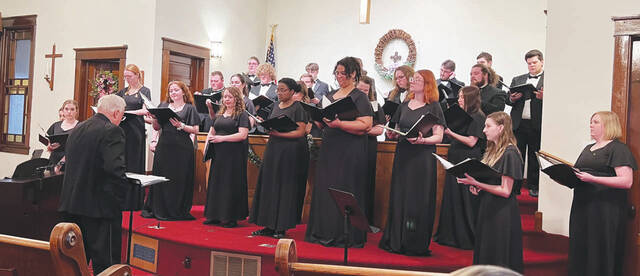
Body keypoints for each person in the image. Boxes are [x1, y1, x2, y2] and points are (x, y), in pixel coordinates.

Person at [305, 57, 373, 247]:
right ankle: (324, 230)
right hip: (330, 147)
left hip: (350, 148)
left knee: (344, 187)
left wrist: (340, 124)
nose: (339, 76)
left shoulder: (360, 97)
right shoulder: (330, 95)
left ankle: (345, 234)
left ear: (353, 74)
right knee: (326, 187)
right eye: (337, 72)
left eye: (343, 73)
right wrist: (316, 115)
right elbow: (322, 121)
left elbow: (366, 124)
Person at [58, 94, 127, 274]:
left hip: (72, 205)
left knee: (76, 262)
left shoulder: (78, 129)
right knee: (106, 265)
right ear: (117, 112)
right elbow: (114, 170)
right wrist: (120, 200)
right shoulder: (111, 130)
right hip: (100, 209)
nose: (121, 119)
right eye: (122, 115)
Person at [379, 69, 446, 256]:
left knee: (418, 197)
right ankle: (396, 238)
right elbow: (398, 128)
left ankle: (414, 242)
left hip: (422, 157)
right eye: (413, 78)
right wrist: (392, 134)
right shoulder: (405, 104)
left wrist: (423, 140)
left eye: (418, 79)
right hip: (404, 154)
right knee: (401, 194)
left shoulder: (434, 107)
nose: (413, 81)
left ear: (427, 84)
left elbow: (439, 136)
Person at [569, 111, 637, 276]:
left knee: (601, 249)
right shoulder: (587, 148)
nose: (591, 125)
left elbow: (626, 181)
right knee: (581, 247)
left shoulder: (618, 148)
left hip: (605, 209)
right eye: (591, 121)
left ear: (608, 125)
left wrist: (593, 179)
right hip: (582, 206)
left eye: (596, 122)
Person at [457, 111, 524, 273]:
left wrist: (477, 182)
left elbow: (505, 190)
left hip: (502, 213)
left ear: (500, 128)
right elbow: (492, 180)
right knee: (486, 251)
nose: (484, 130)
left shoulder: (510, 153)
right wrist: (478, 187)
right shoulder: (493, 150)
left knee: (498, 256)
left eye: (488, 126)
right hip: (489, 207)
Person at [249, 78, 309, 238]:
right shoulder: (274, 106)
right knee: (270, 185)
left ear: (292, 91)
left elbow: (300, 132)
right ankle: (268, 225)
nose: (280, 93)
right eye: (278, 90)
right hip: (274, 149)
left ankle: (281, 227)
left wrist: (280, 133)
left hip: (289, 151)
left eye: (283, 90)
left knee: (285, 187)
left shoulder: (298, 108)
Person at [435, 86, 486, 250]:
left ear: (470, 98)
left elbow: (472, 141)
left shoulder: (478, 116)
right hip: (457, 155)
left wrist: (450, 132)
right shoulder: (464, 115)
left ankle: (466, 237)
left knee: (465, 198)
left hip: (468, 159)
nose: (459, 99)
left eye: (462, 97)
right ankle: (450, 235)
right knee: (454, 196)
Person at [146, 81, 200, 220]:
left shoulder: (189, 108)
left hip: (182, 148)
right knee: (162, 176)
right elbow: (158, 128)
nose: (173, 93)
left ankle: (177, 208)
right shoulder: (163, 106)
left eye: (176, 90)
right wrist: (154, 119)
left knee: (178, 178)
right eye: (171, 91)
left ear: (183, 92)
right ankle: (159, 208)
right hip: (165, 146)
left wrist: (181, 125)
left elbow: (195, 129)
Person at [203, 87, 250, 228]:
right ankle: (214, 215)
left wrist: (222, 139)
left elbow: (243, 135)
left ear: (237, 98)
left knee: (230, 184)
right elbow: (212, 131)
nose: (226, 99)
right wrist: (207, 146)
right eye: (225, 97)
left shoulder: (242, 115)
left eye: (229, 97)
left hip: (233, 155)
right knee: (217, 183)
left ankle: (231, 217)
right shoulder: (220, 114)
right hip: (219, 154)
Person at [507, 50, 545, 197]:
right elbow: (507, 100)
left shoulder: (550, 79)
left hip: (537, 123)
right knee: (517, 155)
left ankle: (533, 186)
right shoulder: (518, 79)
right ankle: (515, 186)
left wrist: (544, 98)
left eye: (534, 62)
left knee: (535, 156)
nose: (531, 66)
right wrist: (513, 98)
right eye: (529, 64)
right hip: (519, 124)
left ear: (542, 61)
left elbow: (557, 101)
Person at [356, 75, 384, 223]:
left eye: (365, 90)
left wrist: (360, 129)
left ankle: (365, 220)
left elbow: (379, 130)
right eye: (359, 89)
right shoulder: (351, 103)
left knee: (366, 182)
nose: (362, 92)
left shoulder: (375, 106)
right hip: (352, 146)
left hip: (368, 146)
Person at [115, 64, 151, 175]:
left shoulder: (144, 91)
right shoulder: (123, 92)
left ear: (137, 75)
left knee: (133, 157)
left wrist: (128, 113)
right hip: (122, 127)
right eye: (125, 77)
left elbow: (145, 111)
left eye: (129, 76)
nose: (127, 79)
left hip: (136, 127)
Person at [46, 99, 79, 166]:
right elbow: (48, 142)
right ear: (63, 110)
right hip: (54, 160)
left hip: (71, 162)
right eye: (66, 109)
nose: (69, 112)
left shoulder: (80, 127)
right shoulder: (55, 125)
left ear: (76, 111)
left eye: (72, 109)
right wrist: (50, 146)